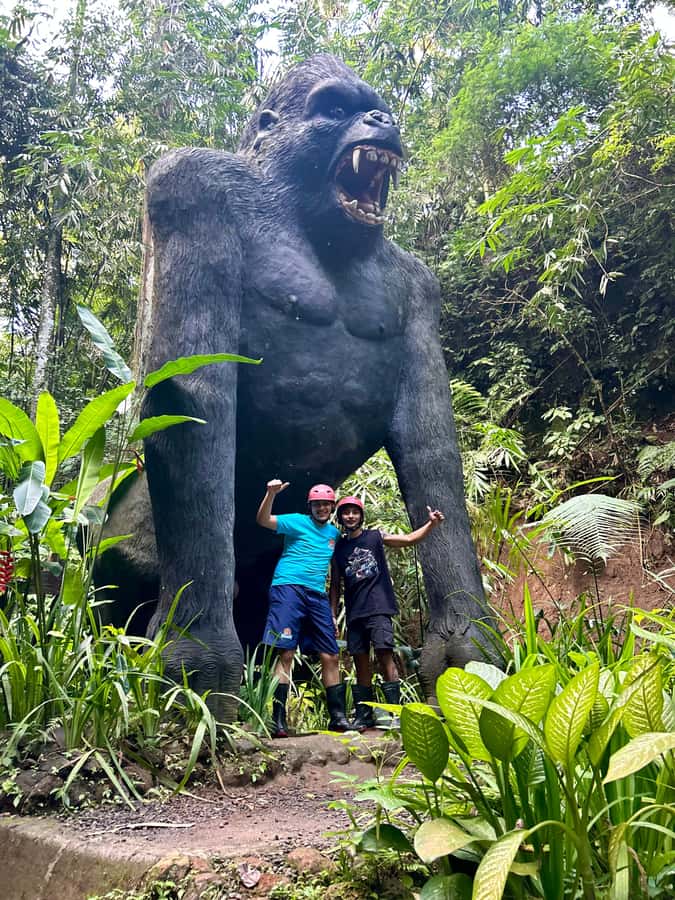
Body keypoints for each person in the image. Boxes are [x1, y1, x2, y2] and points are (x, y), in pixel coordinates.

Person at [330, 497, 445, 731]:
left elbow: (409, 539)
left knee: (385, 657)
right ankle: (364, 715)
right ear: (340, 517)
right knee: (360, 661)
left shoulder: (374, 536)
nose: (350, 516)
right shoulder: (339, 547)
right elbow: (335, 585)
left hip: (378, 608)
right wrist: (332, 614)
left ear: (361, 515)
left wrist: (431, 524)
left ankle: (394, 713)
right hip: (354, 612)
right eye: (346, 513)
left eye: (354, 512)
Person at [256, 479, 351, 737]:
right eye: (317, 504)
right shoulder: (296, 521)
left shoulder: (333, 534)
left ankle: (338, 718)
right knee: (286, 653)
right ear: (310, 506)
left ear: (332, 508)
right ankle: (278, 721)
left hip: (317, 595)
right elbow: (263, 520)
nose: (322, 508)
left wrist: (333, 612)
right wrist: (270, 494)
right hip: (288, 588)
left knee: (330, 655)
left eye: (326, 505)